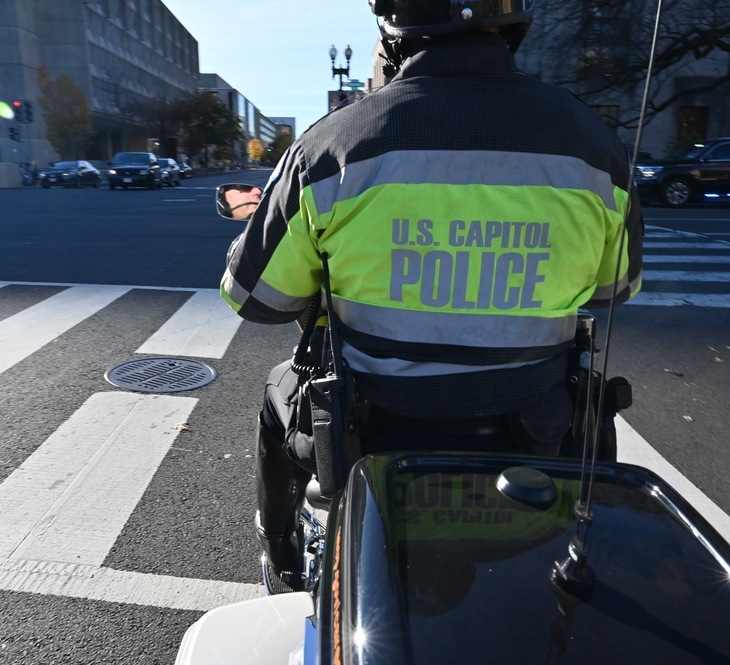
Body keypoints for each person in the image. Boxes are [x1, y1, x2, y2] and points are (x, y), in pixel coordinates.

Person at [220, 0, 643, 591]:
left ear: (394, 29)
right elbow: (612, 288)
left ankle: (284, 558)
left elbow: (255, 299)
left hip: (373, 430)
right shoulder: (594, 144)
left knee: (276, 397)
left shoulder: (335, 144)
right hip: (534, 430)